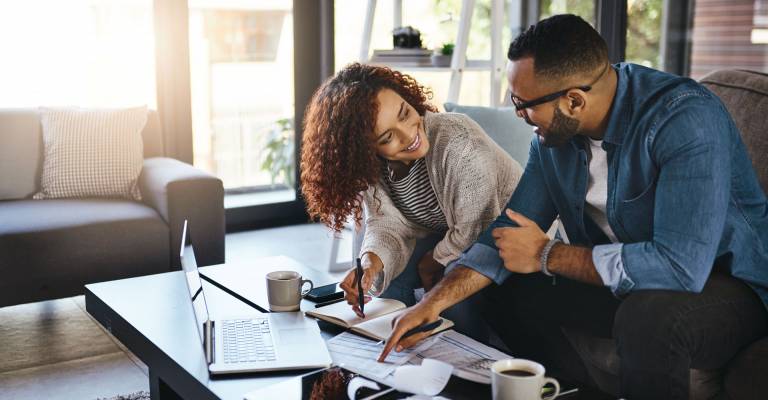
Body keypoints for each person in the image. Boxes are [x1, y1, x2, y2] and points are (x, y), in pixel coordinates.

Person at [380, 14, 768, 400]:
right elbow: (508, 233)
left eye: (523, 104)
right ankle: (568, 391)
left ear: (574, 100)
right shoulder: (553, 140)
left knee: (647, 318)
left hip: (727, 286)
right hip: (629, 282)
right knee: (504, 286)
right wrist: (430, 304)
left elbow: (681, 268)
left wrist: (548, 254)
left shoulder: (685, 120)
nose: (518, 114)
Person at [300, 63, 522, 337]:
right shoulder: (373, 167)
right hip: (450, 232)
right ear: (366, 150)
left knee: (452, 277)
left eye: (405, 113)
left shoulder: (458, 143)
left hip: (502, 236)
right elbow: (388, 223)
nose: (408, 135)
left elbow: (477, 228)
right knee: (389, 282)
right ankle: (396, 343)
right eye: (388, 137)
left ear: (408, 98)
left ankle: (466, 352)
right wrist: (370, 264)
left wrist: (433, 261)